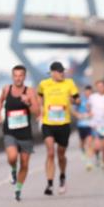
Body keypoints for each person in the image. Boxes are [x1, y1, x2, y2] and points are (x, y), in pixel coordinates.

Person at [0, 65, 40, 201]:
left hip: (25, 132)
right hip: (10, 130)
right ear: (12, 77)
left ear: (24, 77)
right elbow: (0, 100)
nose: (18, 78)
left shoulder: (30, 92)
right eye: (15, 75)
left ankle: (18, 189)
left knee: (25, 164)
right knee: (12, 157)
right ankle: (13, 170)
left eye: (21, 75)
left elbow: (37, 112)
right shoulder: (6, 89)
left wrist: (28, 103)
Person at [37, 61, 80, 195]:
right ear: (53, 73)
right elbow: (39, 96)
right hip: (48, 123)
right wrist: (41, 108)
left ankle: (62, 176)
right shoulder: (44, 84)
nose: (62, 74)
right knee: (50, 153)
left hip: (63, 124)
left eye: (63, 71)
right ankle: (49, 184)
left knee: (61, 154)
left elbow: (77, 100)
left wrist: (72, 100)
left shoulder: (69, 83)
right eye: (60, 71)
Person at [76, 85, 94, 170]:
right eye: (87, 92)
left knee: (89, 143)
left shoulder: (94, 100)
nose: (88, 93)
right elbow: (74, 110)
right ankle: (83, 152)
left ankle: (89, 162)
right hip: (81, 125)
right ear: (84, 92)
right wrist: (78, 115)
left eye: (90, 92)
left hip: (90, 125)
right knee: (82, 143)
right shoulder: (80, 100)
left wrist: (91, 114)